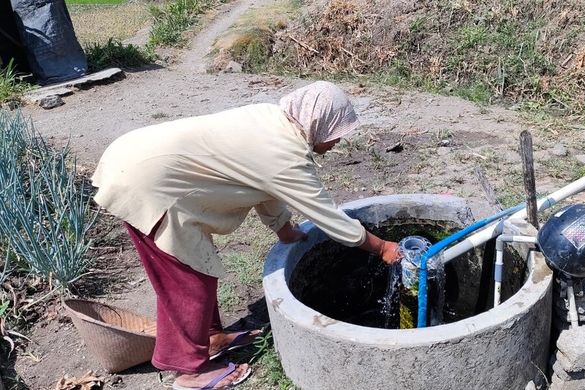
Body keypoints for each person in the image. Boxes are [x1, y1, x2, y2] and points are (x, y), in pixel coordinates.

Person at [91, 81, 401, 390]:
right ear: (318, 123)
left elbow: (260, 182)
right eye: (336, 133)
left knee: (197, 269)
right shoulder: (286, 154)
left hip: (143, 161)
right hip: (147, 182)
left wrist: (283, 227)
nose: (337, 142)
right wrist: (381, 247)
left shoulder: (273, 121)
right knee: (187, 282)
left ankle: (210, 339)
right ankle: (190, 370)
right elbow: (329, 216)